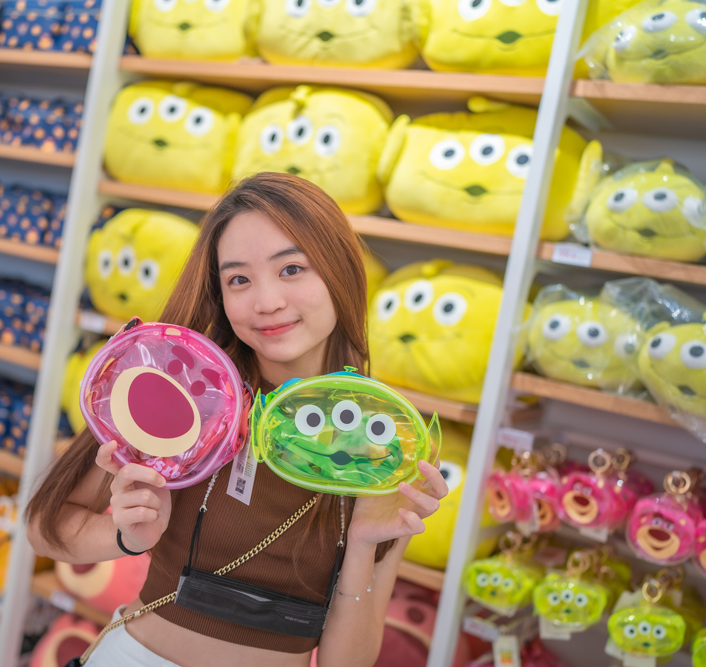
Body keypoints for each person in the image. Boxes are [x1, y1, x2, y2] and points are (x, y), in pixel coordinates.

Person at [25, 172, 448, 667]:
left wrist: (361, 544)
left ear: (340, 272)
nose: (267, 302)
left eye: (292, 269)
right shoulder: (180, 385)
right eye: (239, 280)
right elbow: (45, 526)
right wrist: (125, 536)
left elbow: (345, 663)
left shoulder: (385, 439)